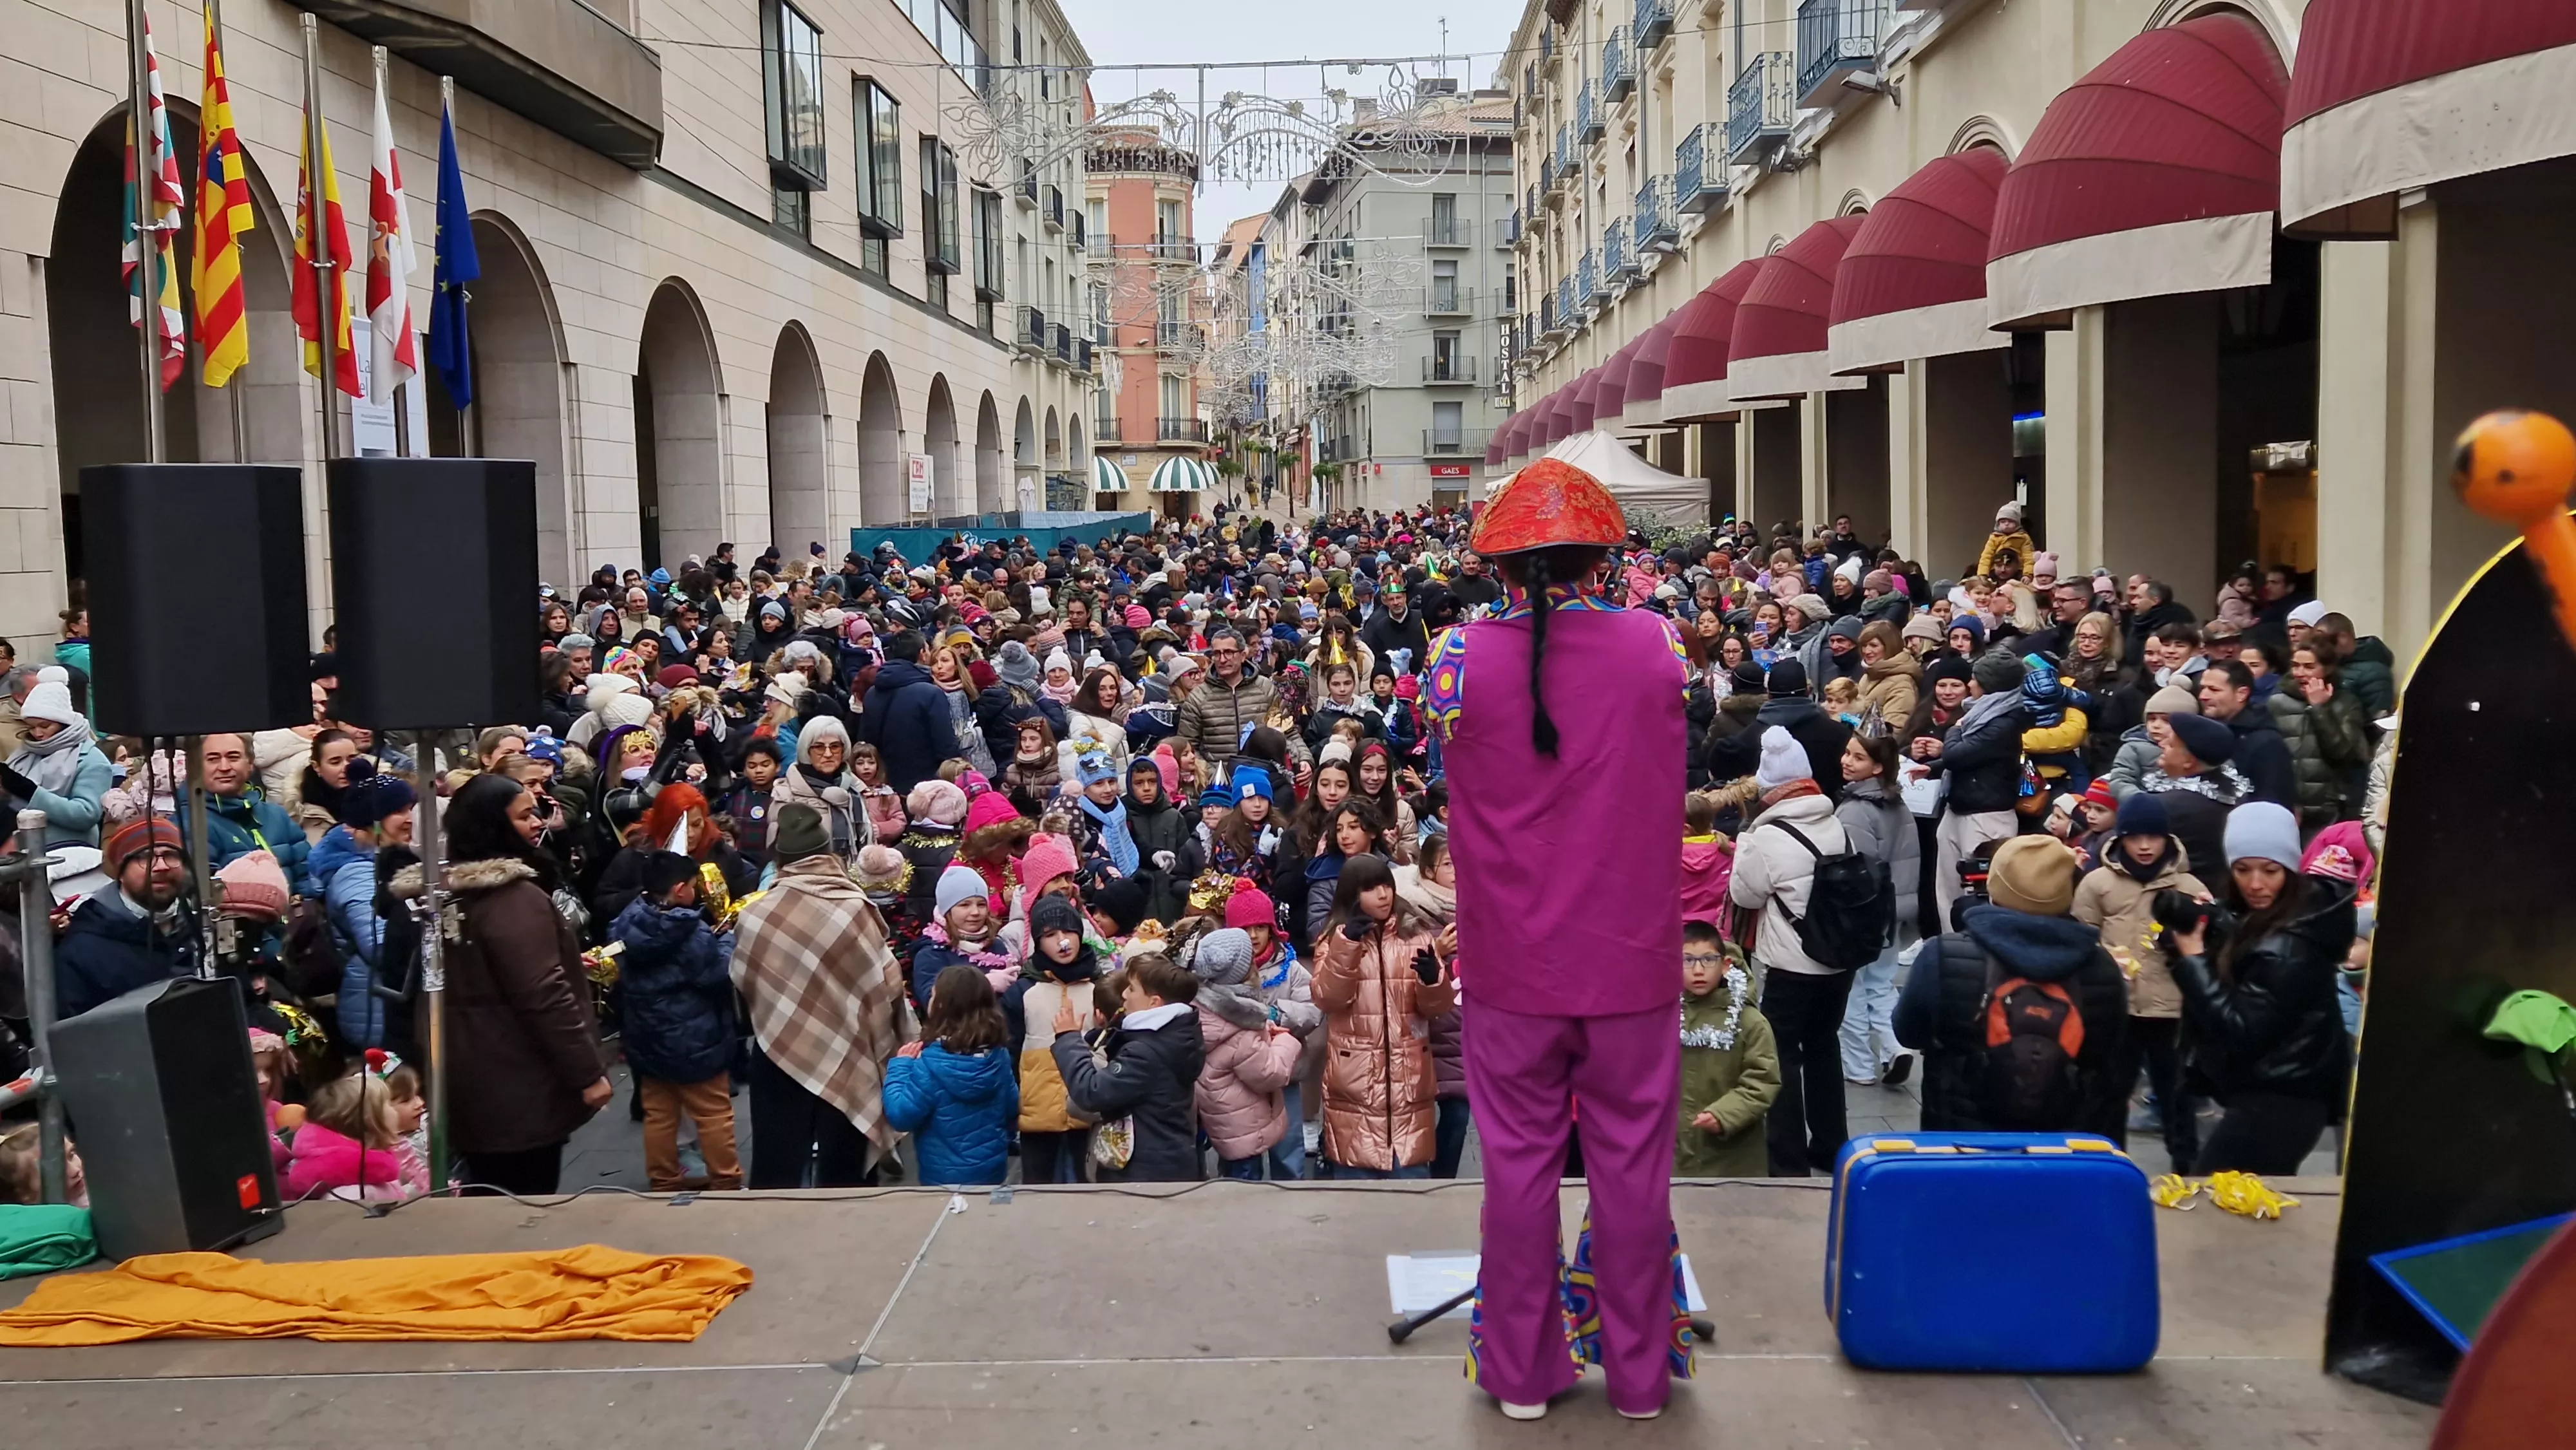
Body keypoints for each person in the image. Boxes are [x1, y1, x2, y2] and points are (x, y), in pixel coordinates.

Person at [1419, 458, 1689, 1421]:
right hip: (1634, 956)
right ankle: (1641, 1380)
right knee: (1631, 1171)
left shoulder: (1451, 656)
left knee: (1520, 1169)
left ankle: (1523, 1377)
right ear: (1603, 558)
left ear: (1497, 566)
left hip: (1511, 964)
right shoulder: (1660, 643)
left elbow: (1449, 743)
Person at [437, 773, 611, 1194]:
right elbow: (543, 994)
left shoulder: (452, 896)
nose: (538, 823)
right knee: (523, 1203)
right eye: (525, 815)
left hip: (476, 1083)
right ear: (494, 826)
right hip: (520, 1085)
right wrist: (588, 1074)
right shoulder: (513, 899)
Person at [1893, 835, 2129, 1138]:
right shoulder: (2101, 967)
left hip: (1959, 1138)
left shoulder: (1943, 955)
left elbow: (1908, 1032)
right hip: (2062, 1144)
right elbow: (2109, 1058)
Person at [731, 803, 914, 1188]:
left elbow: (745, 981)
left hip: (778, 1044)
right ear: (827, 853)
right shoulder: (853, 909)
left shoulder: (756, 915)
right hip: (849, 1048)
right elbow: (885, 984)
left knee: (777, 1163)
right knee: (844, 1169)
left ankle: (774, 1234)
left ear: (781, 857)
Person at [2165, 802, 2354, 1174]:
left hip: (2281, 1101)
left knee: (2217, 1202)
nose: (2255, 884)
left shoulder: (2288, 947)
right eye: (2242, 869)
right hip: (2284, 1092)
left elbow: (2241, 1029)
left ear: (2290, 867)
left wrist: (2194, 961)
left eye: (2270, 870)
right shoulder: (2290, 916)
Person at [1727, 727, 1853, 1175]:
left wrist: (1744, 843)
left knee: (1782, 1056)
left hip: (1790, 964)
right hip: (1838, 961)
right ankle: (1831, 1144)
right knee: (1824, 1047)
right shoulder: (1836, 822)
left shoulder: (1764, 837)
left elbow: (1745, 897)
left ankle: (1787, 1159)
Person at [2071, 793, 2208, 1171]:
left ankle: (2188, 1168)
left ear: (2167, 838)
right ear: (2121, 838)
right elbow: (2082, 936)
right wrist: (2104, 960)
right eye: (2135, 837)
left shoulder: (2189, 887)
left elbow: (2208, 948)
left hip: (2172, 1007)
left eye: (2154, 836)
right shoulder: (2098, 883)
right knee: (2109, 1094)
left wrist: (2183, 943)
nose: (2145, 846)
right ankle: (2107, 1169)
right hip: (2119, 1007)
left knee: (2177, 1095)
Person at [1311, 852, 1454, 1179]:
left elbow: (1437, 1008)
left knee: (1412, 1195)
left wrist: (1433, 978)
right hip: (1356, 1082)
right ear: (1352, 894)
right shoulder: (1333, 939)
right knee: (1358, 1202)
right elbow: (1328, 999)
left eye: (1386, 886)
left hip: (1409, 1082)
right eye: (1371, 889)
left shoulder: (1415, 935)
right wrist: (1347, 945)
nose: (1383, 895)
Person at [609, 851, 743, 1192]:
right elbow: (715, 974)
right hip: (694, 1036)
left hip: (645, 1034)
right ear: (681, 889)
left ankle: (663, 1178)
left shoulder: (627, 921)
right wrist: (725, 939)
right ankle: (725, 1180)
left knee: (659, 1113)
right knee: (713, 1113)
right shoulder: (690, 931)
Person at [1050, 950, 1208, 1182]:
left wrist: (1068, 1039)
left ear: (1154, 1002)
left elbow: (1091, 1092)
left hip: (1145, 1174)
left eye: (1132, 988)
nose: (1124, 994)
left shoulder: (1146, 1053)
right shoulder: (1176, 1034)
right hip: (1169, 1160)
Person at [310, 765, 416, 1050]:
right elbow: (380, 947)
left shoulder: (391, 861)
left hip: (393, 1003)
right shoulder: (356, 875)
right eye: (398, 812)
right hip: (377, 1010)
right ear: (372, 822)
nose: (409, 820)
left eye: (410, 809)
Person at [884, 964, 1018, 1187]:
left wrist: (900, 1067)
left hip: (941, 1179)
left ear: (941, 1006)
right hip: (992, 1172)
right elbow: (1011, 1108)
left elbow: (900, 1116)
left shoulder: (929, 1066)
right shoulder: (999, 1057)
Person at [1835, 733, 1919, 1088]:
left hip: (1862, 912)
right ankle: (1896, 1046)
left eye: (1857, 757)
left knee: (1850, 988)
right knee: (1882, 984)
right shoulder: (1898, 804)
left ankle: (1857, 1065)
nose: (1846, 760)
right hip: (1892, 910)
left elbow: (1854, 868)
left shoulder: (1855, 809)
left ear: (1878, 767)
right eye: (1847, 752)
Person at [1188, 926, 1305, 1179]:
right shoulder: (1240, 1031)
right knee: (1245, 1193)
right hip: (1243, 1130)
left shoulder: (1204, 1007)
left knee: (1230, 1180)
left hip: (1223, 1124)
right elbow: (1270, 1073)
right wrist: (1285, 1041)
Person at [1920, 650, 2027, 923]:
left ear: (1990, 684)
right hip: (1957, 809)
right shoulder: (1981, 712)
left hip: (1986, 819)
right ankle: (1951, 947)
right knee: (1947, 892)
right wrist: (1931, 768)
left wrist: (1955, 729)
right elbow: (1969, 759)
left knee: (1983, 895)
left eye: (1975, 679)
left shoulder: (2006, 720)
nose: (1970, 684)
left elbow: (1958, 755)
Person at [1003, 893, 1103, 1183]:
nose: (1063, 941)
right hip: (1038, 1116)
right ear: (1038, 940)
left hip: (1088, 1112)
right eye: (1050, 934)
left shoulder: (1100, 989)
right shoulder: (1022, 993)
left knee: (1089, 1187)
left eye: (1069, 931)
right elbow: (1009, 1052)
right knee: (1039, 1190)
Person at [54, 816, 196, 1019]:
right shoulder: (82, 950)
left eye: (171, 855)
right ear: (120, 872)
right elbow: (78, 1036)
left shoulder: (203, 927)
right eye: (145, 857)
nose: (161, 866)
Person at [1673, 920, 1780, 1178]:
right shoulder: (1664, 1018)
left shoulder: (1750, 1022)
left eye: (1708, 960)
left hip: (1732, 1157)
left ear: (1725, 966)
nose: (1698, 970)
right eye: (1687, 961)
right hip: (1674, 1154)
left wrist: (1724, 1115)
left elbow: (1762, 1080)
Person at [1, 671, 110, 848]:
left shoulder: (92, 759)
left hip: (67, 850)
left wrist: (29, 791)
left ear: (63, 722)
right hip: (18, 847)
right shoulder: (26, 752)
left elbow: (86, 815)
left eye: (45, 726)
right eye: (31, 727)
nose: (37, 734)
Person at [858, 630, 961, 791]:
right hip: (925, 786)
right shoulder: (930, 693)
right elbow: (945, 746)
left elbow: (866, 738)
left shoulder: (872, 693)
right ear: (922, 654)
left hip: (883, 784)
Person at [2197, 660, 2297, 810]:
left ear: (2241, 694)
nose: (2203, 696)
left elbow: (2273, 804)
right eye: (2203, 688)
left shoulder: (2267, 744)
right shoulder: (2205, 734)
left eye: (2214, 690)